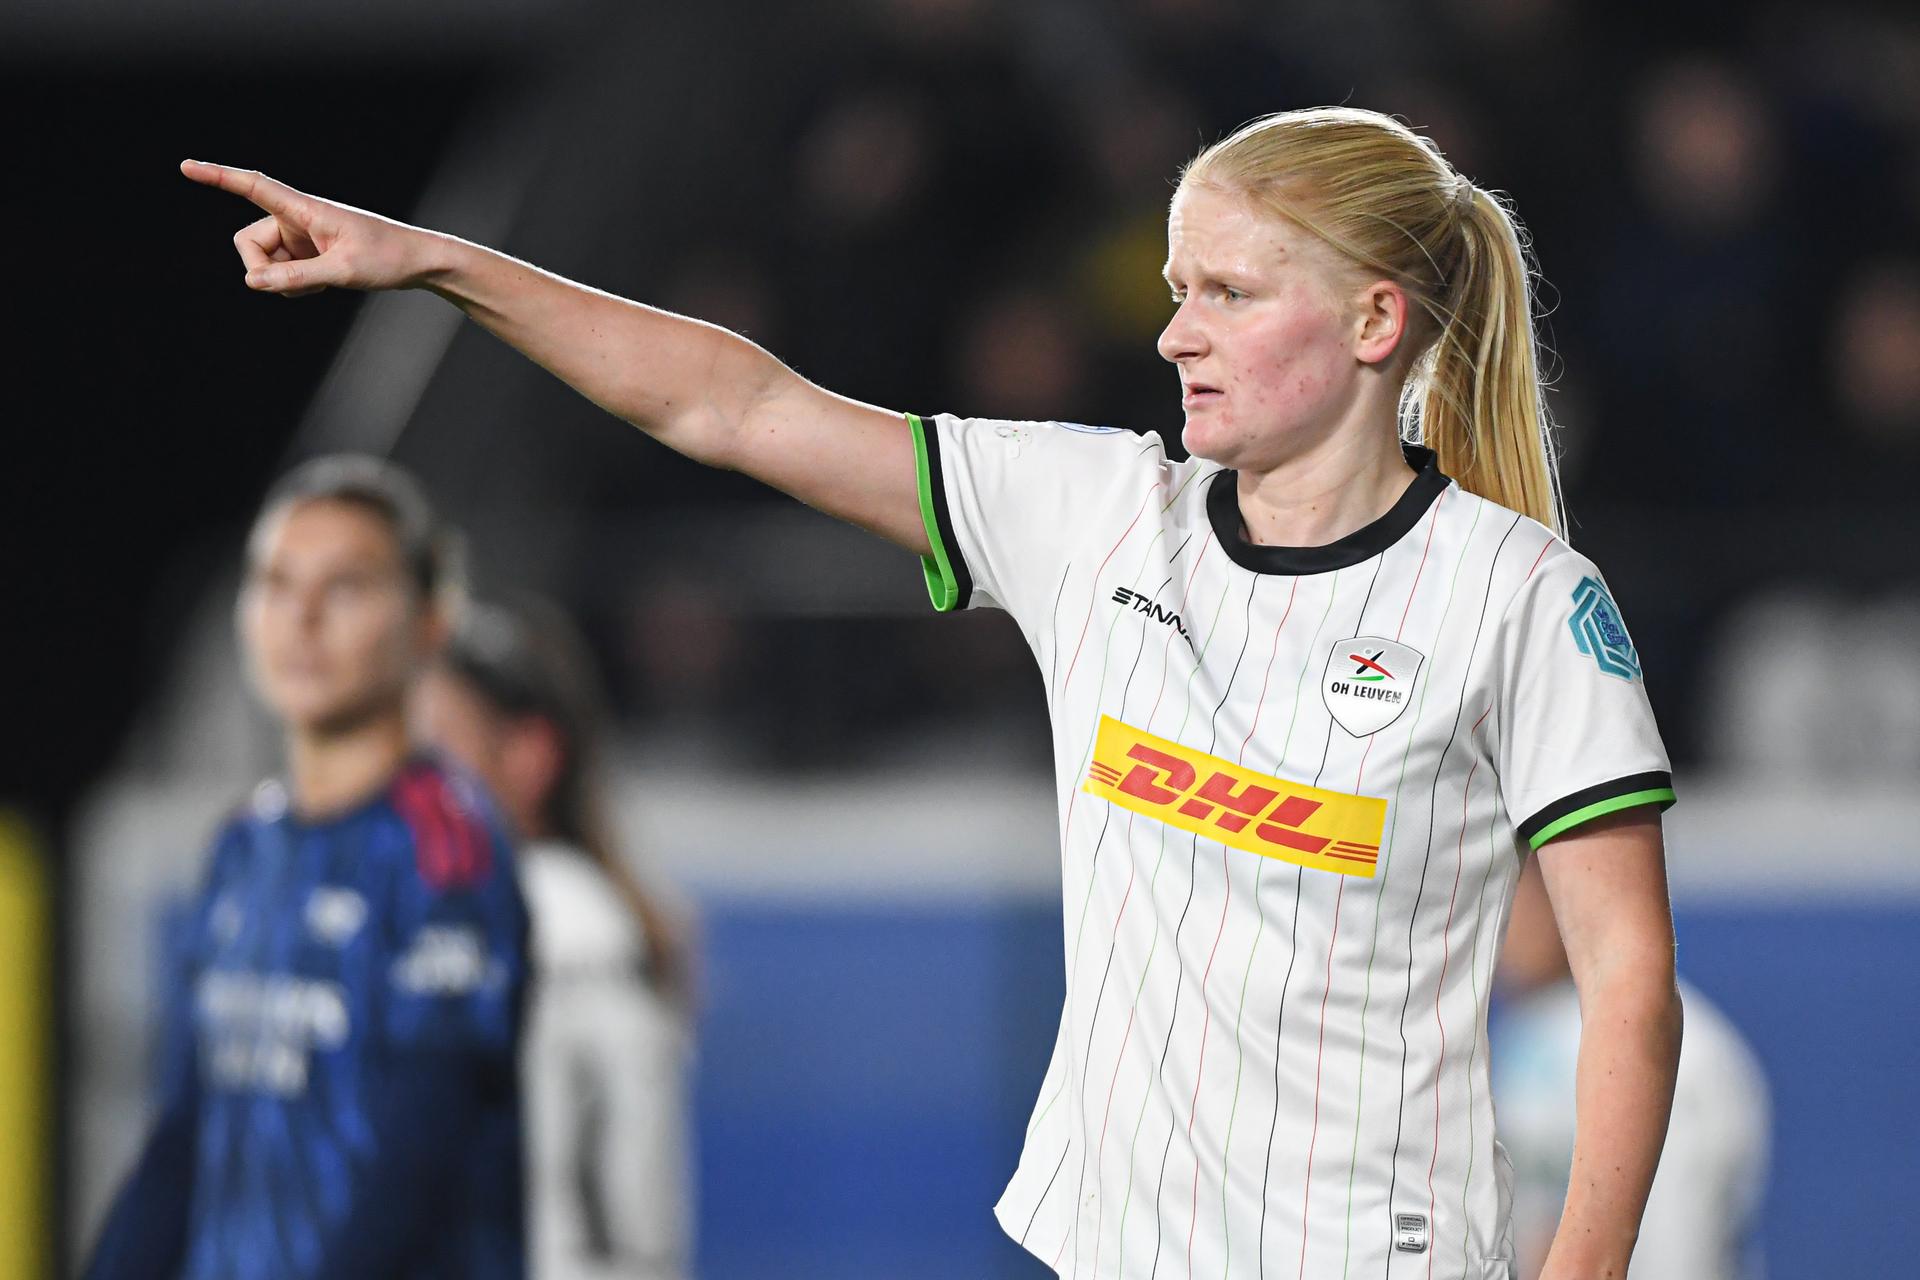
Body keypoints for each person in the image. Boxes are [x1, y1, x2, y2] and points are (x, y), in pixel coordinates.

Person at [183, 105, 1683, 1279]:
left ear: (1374, 324)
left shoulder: (1522, 600)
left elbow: (1626, 980)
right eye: (1176, 289)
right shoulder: (1094, 514)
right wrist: (436, 260)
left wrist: (1588, 1265)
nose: (1175, 332)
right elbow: (735, 402)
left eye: (1230, 291)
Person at [85, 457, 529, 1280]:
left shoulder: (445, 849)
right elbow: (186, 1135)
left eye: (348, 587)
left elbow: (422, 1153)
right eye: (275, 584)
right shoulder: (244, 848)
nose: (303, 619)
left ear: (431, 620)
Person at [412, 600, 694, 1280]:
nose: (409, 779)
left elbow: (601, 1219)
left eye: (438, 744)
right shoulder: (580, 911)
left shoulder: (542, 919)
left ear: (530, 756)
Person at [1493, 859, 1769, 1280]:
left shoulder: (1682, 1050)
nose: (1502, 925)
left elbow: (1680, 1251)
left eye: (1515, 895)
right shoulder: (1517, 1036)